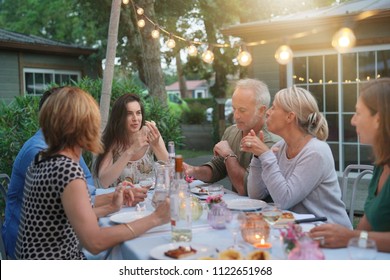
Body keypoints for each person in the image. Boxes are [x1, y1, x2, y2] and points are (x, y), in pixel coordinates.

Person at [14, 87, 170, 259]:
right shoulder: (67, 170)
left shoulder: (43, 158)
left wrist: (111, 207)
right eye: (93, 120)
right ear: (81, 126)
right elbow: (95, 242)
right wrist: (155, 218)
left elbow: (64, 218)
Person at [243, 86, 351, 228]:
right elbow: (255, 195)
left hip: (330, 234)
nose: (268, 112)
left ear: (290, 117)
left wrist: (265, 155)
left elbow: (284, 200)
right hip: (299, 229)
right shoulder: (282, 147)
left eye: (274, 107)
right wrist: (257, 157)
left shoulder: (316, 152)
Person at [310, 78, 390, 252]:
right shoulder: (381, 163)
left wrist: (351, 237)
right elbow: (368, 220)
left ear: (379, 118)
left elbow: (356, 236)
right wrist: (346, 242)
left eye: (358, 113)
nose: (353, 121)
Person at [183, 79, 280, 196]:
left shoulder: (273, 141)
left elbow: (245, 189)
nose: (236, 116)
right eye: (234, 108)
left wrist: (228, 154)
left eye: (242, 110)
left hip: (267, 212)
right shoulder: (232, 131)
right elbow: (218, 169)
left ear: (261, 110)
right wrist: (193, 171)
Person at [94, 93, 169, 188]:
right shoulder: (112, 141)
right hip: (122, 199)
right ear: (119, 117)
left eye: (138, 113)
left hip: (149, 198)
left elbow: (170, 169)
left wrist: (156, 145)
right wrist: (131, 150)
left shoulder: (150, 133)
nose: (135, 119)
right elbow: (104, 181)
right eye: (129, 114)